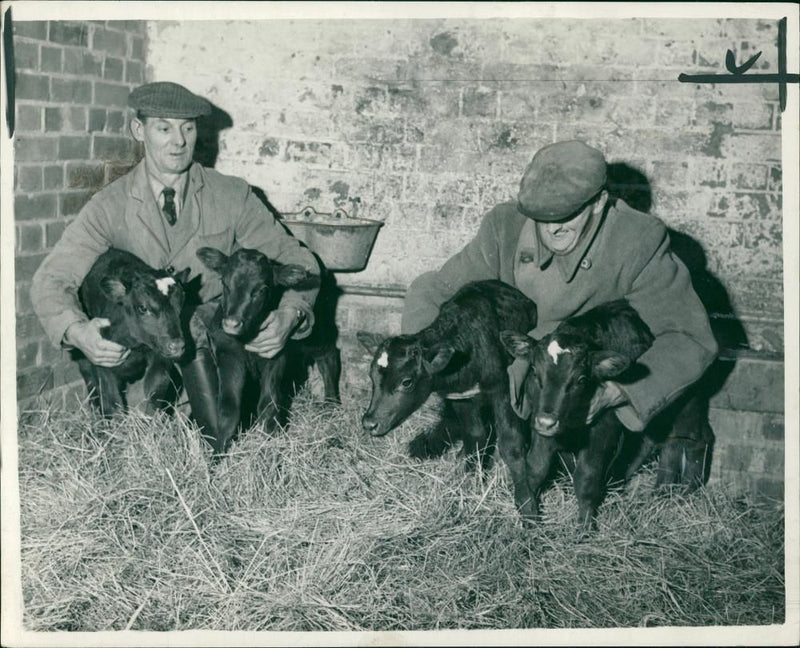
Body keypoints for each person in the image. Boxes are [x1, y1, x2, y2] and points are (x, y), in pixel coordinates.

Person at [31, 81, 320, 438]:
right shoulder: (109, 206)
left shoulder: (232, 195)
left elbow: (297, 259)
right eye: (163, 128)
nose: (179, 141)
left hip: (215, 340)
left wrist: (291, 314)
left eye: (188, 127)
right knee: (144, 432)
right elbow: (51, 279)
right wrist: (77, 331)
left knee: (224, 432)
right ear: (139, 130)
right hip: (147, 353)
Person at [401, 140, 718, 433]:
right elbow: (432, 290)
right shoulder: (504, 226)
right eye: (541, 217)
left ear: (598, 203)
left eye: (567, 215)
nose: (553, 228)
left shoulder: (636, 240)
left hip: (586, 388)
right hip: (526, 373)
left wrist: (615, 393)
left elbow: (688, 338)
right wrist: (430, 367)